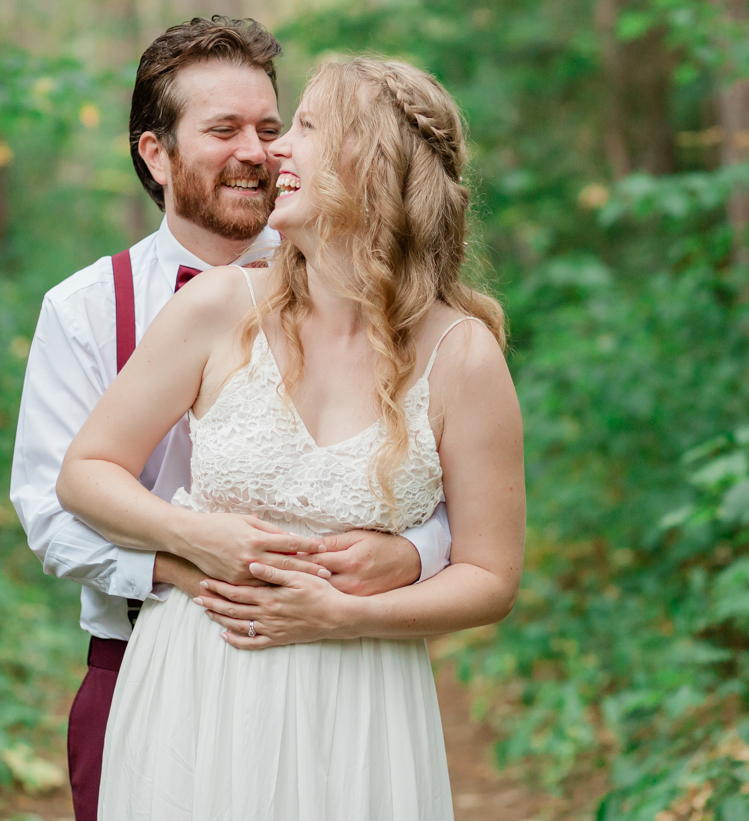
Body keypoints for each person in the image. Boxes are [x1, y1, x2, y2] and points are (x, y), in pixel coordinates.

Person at [57, 57, 526, 820]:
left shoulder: (463, 355)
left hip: (362, 703)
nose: (277, 149)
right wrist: (197, 536)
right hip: (199, 690)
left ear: (369, 165)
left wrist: (348, 616)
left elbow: (491, 576)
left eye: (304, 127)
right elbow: (85, 472)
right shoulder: (217, 308)